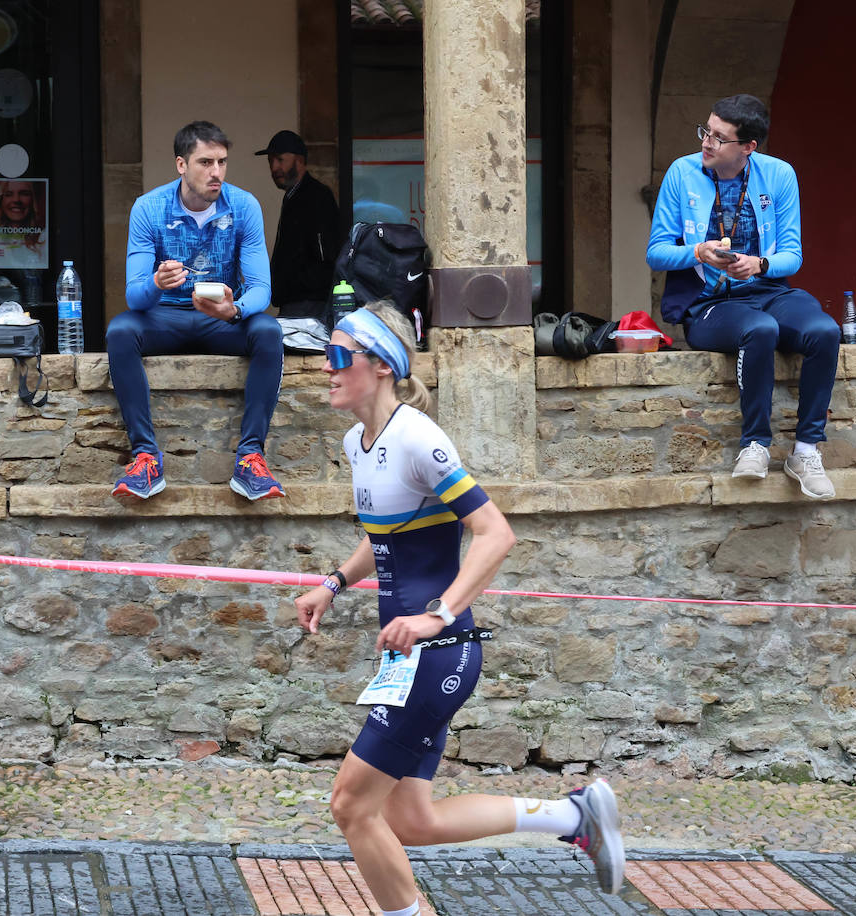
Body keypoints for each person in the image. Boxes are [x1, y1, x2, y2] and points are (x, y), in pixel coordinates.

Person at [293, 302, 626, 914]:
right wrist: (335, 582)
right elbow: (386, 533)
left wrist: (436, 614)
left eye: (339, 355)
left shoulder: (420, 437)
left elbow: (495, 533)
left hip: (437, 654)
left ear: (382, 365)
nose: (326, 368)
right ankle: (571, 814)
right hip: (410, 658)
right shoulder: (357, 442)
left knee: (350, 805)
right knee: (411, 819)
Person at [646, 93, 840, 499]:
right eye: (706, 130)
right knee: (761, 330)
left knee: (824, 330)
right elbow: (656, 252)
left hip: (767, 289)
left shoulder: (779, 175)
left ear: (748, 147)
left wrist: (759, 264)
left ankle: (805, 450)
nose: (706, 142)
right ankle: (755, 444)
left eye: (719, 137)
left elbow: (792, 254)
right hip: (708, 303)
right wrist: (698, 252)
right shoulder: (682, 173)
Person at [107, 121, 285, 501]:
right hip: (164, 316)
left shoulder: (244, 205)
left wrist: (234, 310)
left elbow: (262, 290)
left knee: (268, 331)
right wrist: (156, 284)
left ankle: (251, 457)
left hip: (221, 319)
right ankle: (145, 458)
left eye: (222, 162)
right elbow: (134, 297)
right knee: (120, 330)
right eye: (205, 162)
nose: (216, 172)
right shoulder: (149, 208)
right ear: (181, 165)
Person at [254, 129, 339, 317]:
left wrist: (297, 283)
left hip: (310, 305)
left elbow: (326, 255)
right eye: (270, 161)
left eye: (280, 160)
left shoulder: (316, 196)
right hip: (295, 301)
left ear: (299, 160)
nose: (274, 167)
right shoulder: (294, 196)